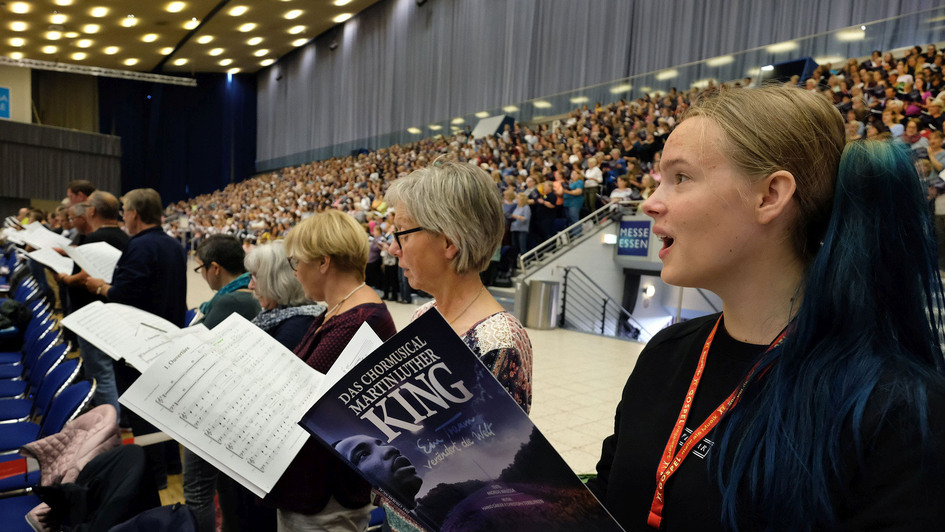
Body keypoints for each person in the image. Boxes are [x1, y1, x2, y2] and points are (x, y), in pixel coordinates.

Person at [587, 85, 945, 531]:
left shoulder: (895, 409)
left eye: (680, 178)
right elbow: (605, 501)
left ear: (770, 195)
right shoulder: (665, 352)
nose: (651, 202)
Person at [381, 161, 533, 532]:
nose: (393, 248)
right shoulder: (425, 315)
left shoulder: (499, 340)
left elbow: (486, 472)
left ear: (449, 242)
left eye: (401, 233)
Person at [264, 209, 396, 532]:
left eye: (297, 262)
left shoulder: (360, 319)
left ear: (323, 262)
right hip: (311, 486)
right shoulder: (337, 310)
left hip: (326, 493)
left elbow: (303, 395)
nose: (295, 272)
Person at [84, 188, 187, 491]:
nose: (124, 216)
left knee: (142, 411)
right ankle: (170, 465)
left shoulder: (140, 246)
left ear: (134, 214)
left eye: (125, 210)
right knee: (162, 409)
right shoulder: (172, 244)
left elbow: (123, 293)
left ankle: (152, 478)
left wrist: (100, 287)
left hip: (138, 341)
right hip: (166, 335)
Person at [184, 234, 266, 532]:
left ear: (215, 267)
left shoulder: (232, 299)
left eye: (201, 268)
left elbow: (195, 353)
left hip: (216, 404)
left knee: (198, 489)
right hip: (231, 403)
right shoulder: (240, 294)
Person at [57, 191, 129, 413]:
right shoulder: (127, 238)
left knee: (101, 373)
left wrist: (66, 278)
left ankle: (108, 428)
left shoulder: (95, 239)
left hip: (93, 314)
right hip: (114, 311)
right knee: (110, 371)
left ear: (92, 211)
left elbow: (85, 276)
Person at [244, 241, 325, 350]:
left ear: (278, 281)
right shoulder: (275, 314)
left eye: (255, 278)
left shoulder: (296, 327)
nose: (250, 286)